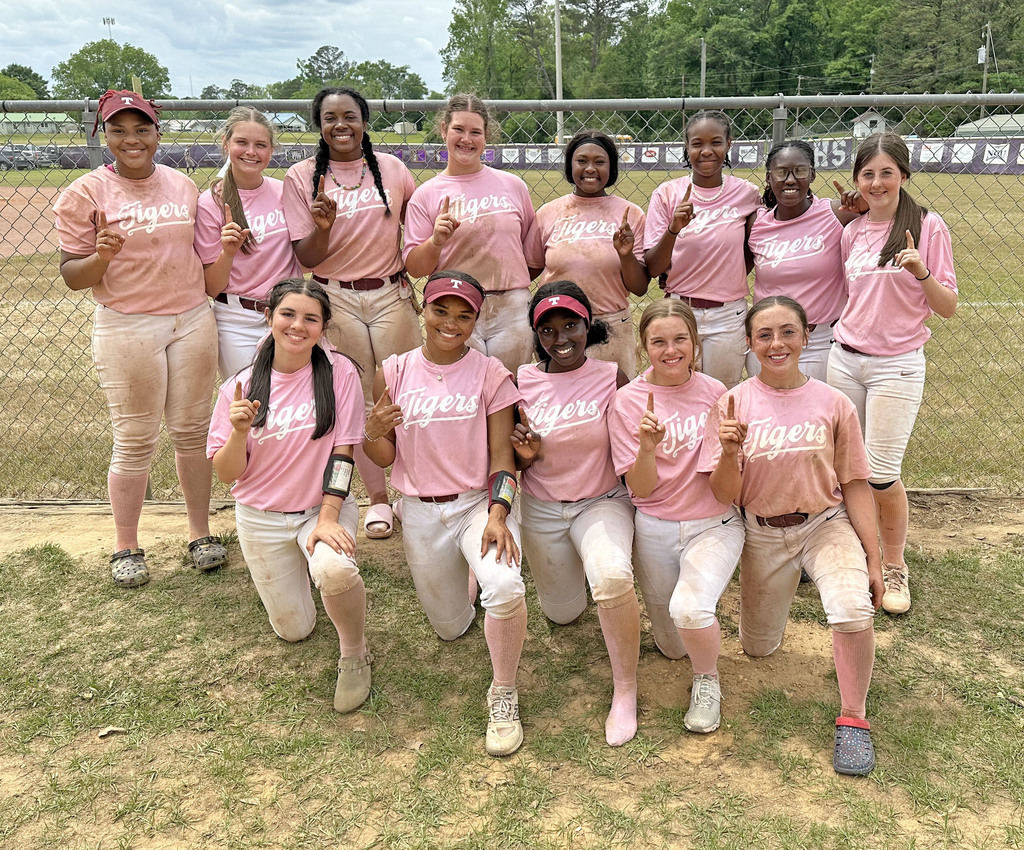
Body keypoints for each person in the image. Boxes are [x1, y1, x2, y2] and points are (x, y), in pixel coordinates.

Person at [701, 295, 883, 776]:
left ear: (806, 337)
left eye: (787, 332)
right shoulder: (732, 402)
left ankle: (854, 718)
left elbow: (856, 484)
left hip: (825, 523)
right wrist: (727, 452)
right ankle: (783, 600)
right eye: (764, 335)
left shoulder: (834, 402)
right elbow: (724, 495)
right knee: (757, 647)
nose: (777, 343)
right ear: (749, 343)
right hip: (762, 533)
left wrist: (875, 559)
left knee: (850, 606)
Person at [53, 89, 225, 589]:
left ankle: (200, 532)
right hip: (128, 323)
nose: (132, 139)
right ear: (102, 135)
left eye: (142, 128)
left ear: (157, 132)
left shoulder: (181, 185)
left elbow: (203, 254)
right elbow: (71, 276)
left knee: (192, 431)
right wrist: (102, 256)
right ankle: (126, 543)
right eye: (119, 129)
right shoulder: (85, 193)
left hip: (192, 317)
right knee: (134, 439)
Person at [362, 271, 528, 757]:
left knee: (505, 585)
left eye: (464, 315)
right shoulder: (392, 371)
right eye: (441, 310)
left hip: (477, 504)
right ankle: (465, 585)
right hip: (418, 509)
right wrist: (372, 429)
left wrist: (499, 514)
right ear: (423, 309)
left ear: (477, 319)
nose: (451, 324)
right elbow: (384, 456)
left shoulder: (490, 373)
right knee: (451, 626)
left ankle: (503, 691)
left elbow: (503, 455)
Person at [207, 279, 372, 713]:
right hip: (260, 515)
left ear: (323, 327)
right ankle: (297, 571)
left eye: (310, 318)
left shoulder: (341, 374)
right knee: (294, 630)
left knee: (335, 571)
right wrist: (239, 431)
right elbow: (227, 474)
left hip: (320, 508)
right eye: (288, 314)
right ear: (269, 317)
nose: (298, 326)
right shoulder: (240, 387)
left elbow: (343, 451)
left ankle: (354, 653)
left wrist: (329, 517)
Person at [283, 86, 421, 541]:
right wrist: (323, 229)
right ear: (318, 124)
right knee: (358, 400)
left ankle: (413, 491)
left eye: (350, 116)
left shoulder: (393, 169)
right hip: (334, 295)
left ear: (364, 120)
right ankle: (379, 499)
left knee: (404, 391)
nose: (340, 125)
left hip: (388, 292)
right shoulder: (303, 176)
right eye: (329, 118)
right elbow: (306, 255)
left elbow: (417, 231)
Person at [827, 132, 957, 615]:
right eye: (868, 174)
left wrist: (922, 271)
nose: (877, 183)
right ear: (857, 180)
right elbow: (852, 298)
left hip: (896, 365)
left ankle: (896, 564)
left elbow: (947, 308)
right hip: (845, 358)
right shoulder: (853, 231)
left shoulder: (928, 226)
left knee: (881, 473)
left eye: (886, 173)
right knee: (846, 470)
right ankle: (859, 556)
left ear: (904, 174)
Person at [608, 300, 743, 735]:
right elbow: (642, 489)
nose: (671, 350)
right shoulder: (628, 402)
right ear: (645, 348)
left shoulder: (715, 393)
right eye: (659, 342)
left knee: (689, 609)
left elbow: (724, 490)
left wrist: (731, 452)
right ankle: (697, 607)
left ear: (696, 342)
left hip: (712, 522)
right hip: (655, 526)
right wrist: (646, 447)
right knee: (670, 646)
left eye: (680, 339)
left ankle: (708, 681)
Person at [513, 280, 639, 746]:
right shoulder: (522, 381)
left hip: (600, 501)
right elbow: (511, 458)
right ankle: (575, 573)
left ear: (589, 325)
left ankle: (625, 688)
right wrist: (527, 454)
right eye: (547, 330)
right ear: (535, 335)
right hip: (544, 508)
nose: (561, 338)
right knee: (563, 614)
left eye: (571, 326)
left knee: (610, 578)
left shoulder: (612, 376)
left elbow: (632, 450)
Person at [403, 94, 537, 373]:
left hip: (511, 306)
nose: (467, 139)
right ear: (443, 130)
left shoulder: (513, 186)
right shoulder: (426, 195)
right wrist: (436, 242)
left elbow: (529, 252)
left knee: (510, 389)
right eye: (458, 130)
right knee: (464, 391)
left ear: (486, 136)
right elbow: (415, 267)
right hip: (456, 306)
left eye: (475, 132)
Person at [644, 110, 760, 388]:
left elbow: (751, 251)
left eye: (715, 142)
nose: (706, 151)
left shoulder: (747, 193)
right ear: (687, 147)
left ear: (729, 144)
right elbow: (653, 267)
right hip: (680, 310)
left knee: (723, 393)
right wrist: (674, 229)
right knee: (677, 390)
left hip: (727, 314)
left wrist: (725, 275)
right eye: (697, 144)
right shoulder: (667, 194)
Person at [524, 130, 650, 377]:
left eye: (599, 162)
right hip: (558, 325)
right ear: (570, 165)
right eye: (581, 161)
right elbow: (529, 269)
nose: (590, 168)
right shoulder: (549, 213)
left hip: (611, 324)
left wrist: (625, 255)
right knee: (562, 402)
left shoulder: (630, 213)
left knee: (615, 403)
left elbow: (640, 287)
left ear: (611, 167)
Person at [195, 106, 301, 379]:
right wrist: (227, 253)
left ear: (271, 150)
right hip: (236, 319)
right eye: (241, 142)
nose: (251, 152)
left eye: (260, 145)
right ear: (226, 143)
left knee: (293, 395)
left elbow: (306, 253)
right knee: (248, 403)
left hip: (288, 313)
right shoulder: (210, 203)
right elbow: (211, 287)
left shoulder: (283, 191)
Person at [747, 140, 864, 382]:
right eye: (781, 172)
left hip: (820, 341)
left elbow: (890, 214)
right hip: (769, 341)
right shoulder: (756, 224)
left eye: (799, 171)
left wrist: (864, 204)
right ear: (769, 178)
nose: (790, 179)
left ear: (812, 174)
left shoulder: (836, 213)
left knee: (819, 417)